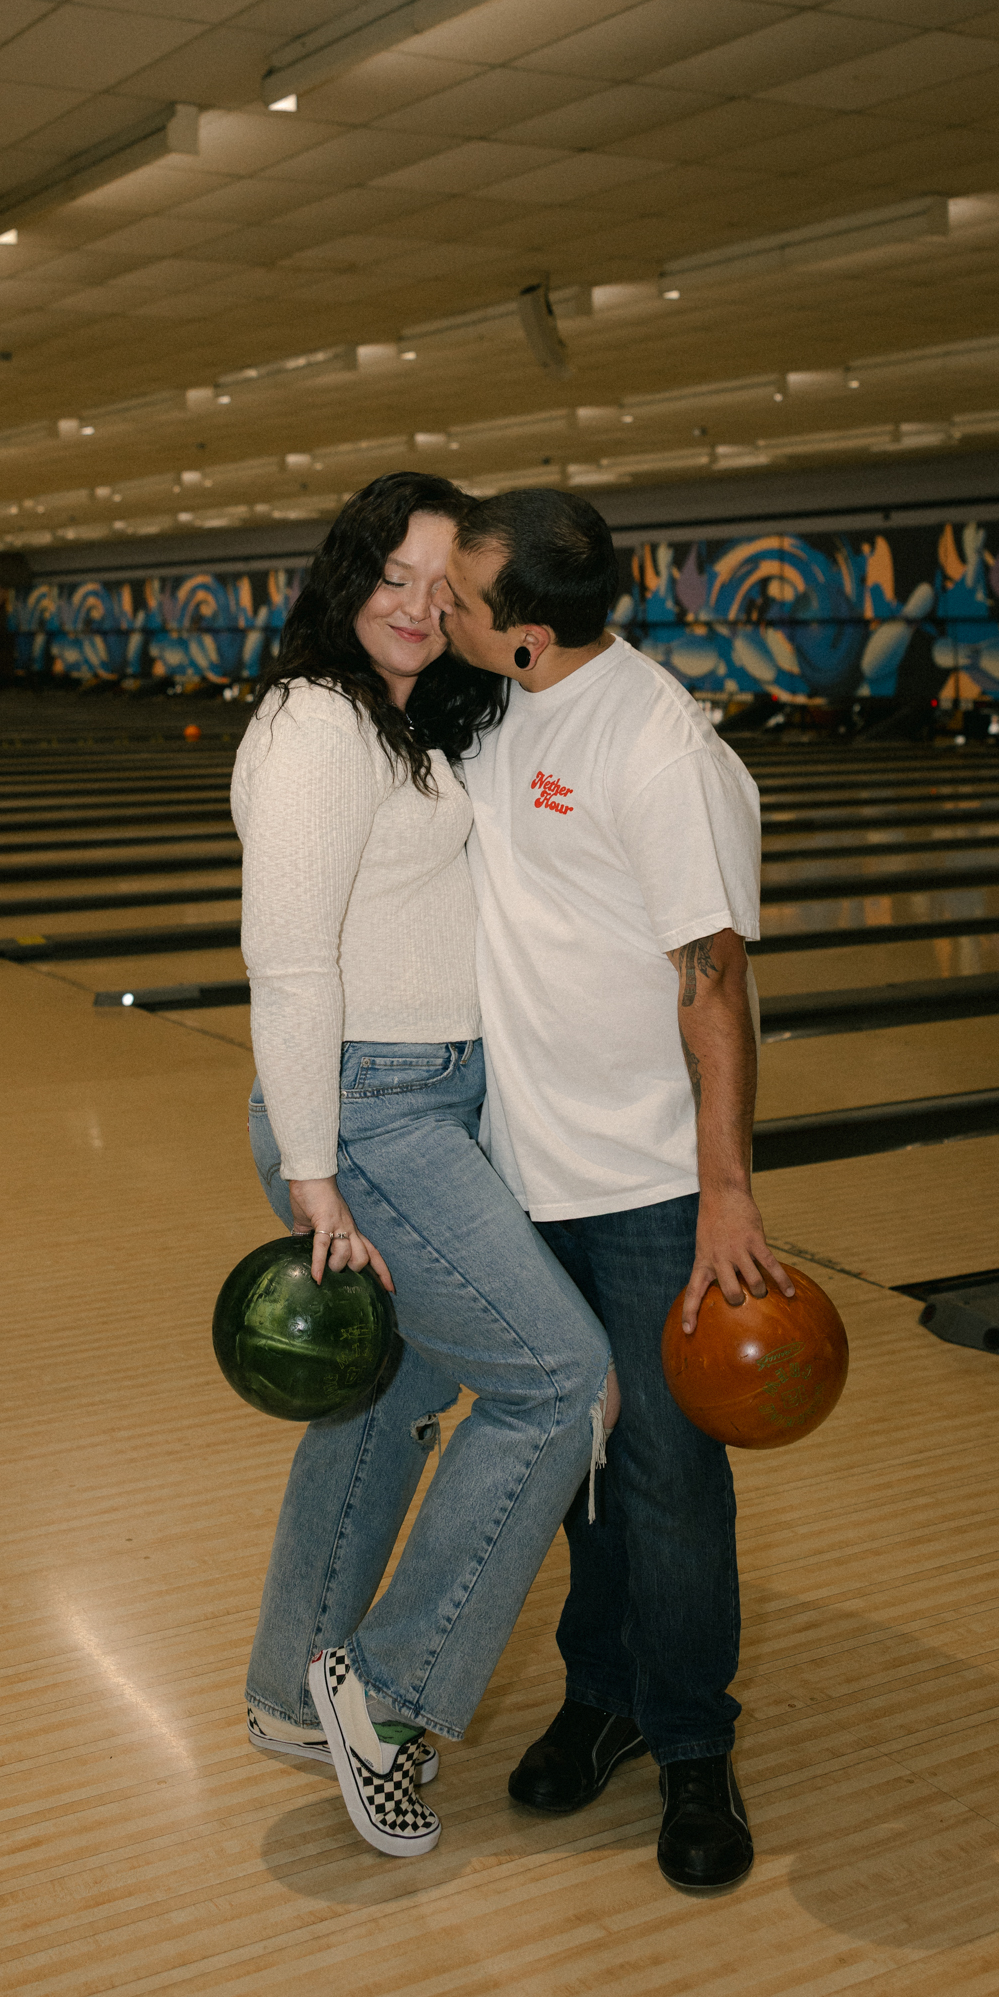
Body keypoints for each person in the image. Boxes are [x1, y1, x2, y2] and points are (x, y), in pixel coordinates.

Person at [232, 472, 615, 1860]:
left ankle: (294, 1694)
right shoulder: (314, 724)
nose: (412, 604)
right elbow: (288, 963)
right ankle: (385, 1693)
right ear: (347, 577)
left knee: (389, 1398)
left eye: (440, 585)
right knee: (559, 1383)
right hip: (368, 1114)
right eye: (390, 575)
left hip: (424, 1105)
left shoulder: (402, 722)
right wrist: (315, 1172)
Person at [436, 487, 791, 1895]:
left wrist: (725, 1192)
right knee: (578, 1464)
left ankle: (692, 1738)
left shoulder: (658, 749)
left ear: (527, 631)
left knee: (668, 1480)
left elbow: (714, 980)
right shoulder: (500, 708)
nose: (443, 610)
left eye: (464, 599)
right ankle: (604, 1698)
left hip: (645, 1187)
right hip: (521, 1175)